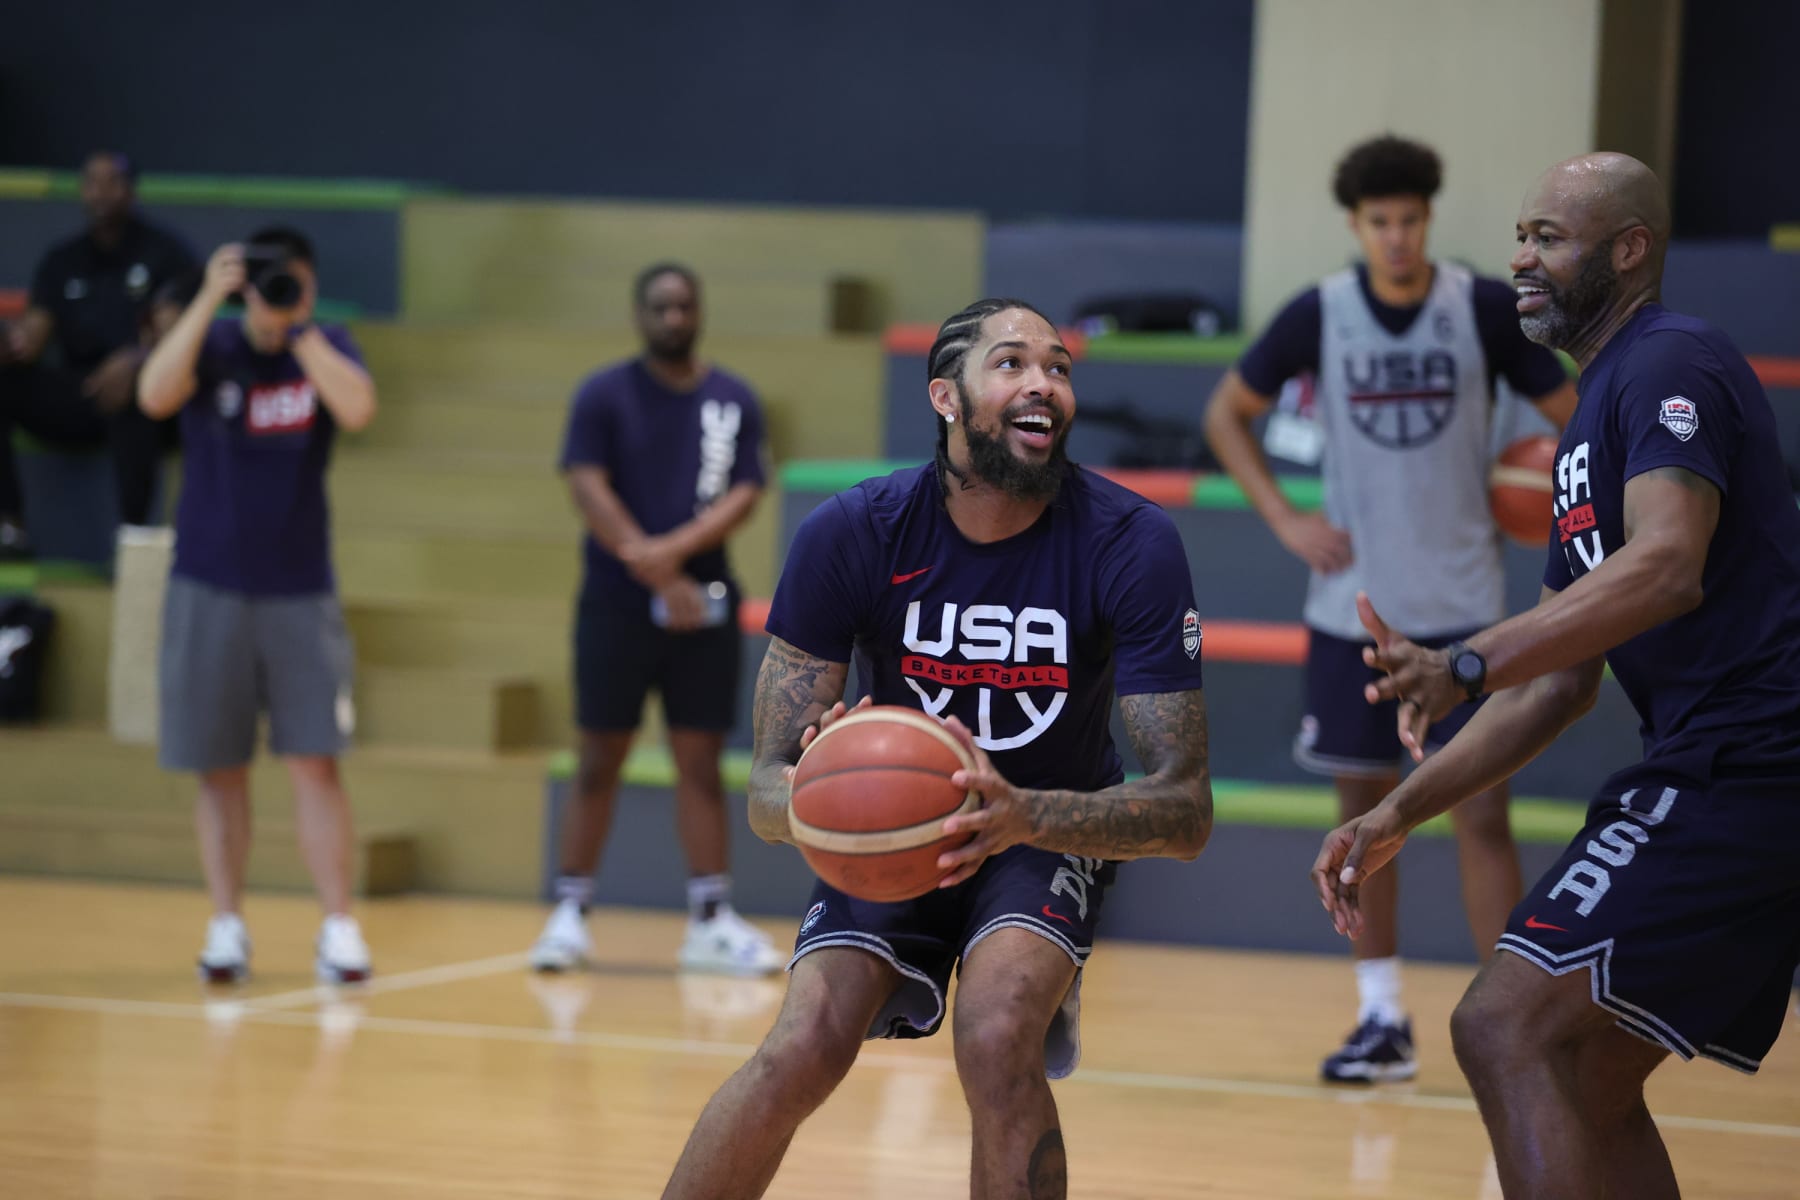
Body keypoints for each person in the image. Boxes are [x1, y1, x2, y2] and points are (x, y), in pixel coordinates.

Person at [1314, 152, 1800, 1199]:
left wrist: (1467, 657)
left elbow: (1664, 565)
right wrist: (1401, 811)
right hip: (1726, 763)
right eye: (1521, 236)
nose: (1519, 259)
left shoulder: (1672, 362)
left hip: (1754, 760)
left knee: (1504, 1027)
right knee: (1586, 1069)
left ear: (1629, 250)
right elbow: (1556, 684)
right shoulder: (1589, 415)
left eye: (1548, 239)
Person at [661, 298, 1213, 1200]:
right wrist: (814, 794)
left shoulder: (1131, 541)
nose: (1043, 383)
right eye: (1011, 364)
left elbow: (1185, 810)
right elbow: (765, 788)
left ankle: (1036, 955)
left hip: (1047, 824)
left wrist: (1023, 814)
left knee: (996, 1039)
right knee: (799, 1047)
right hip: (893, 829)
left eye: (1060, 367)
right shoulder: (853, 532)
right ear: (945, 398)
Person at [1203, 134, 1577, 1083]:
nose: (1398, 236)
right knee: (1365, 820)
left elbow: (1578, 412)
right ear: (1355, 226)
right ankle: (1382, 1023)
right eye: (1381, 222)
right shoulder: (1319, 314)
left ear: (1428, 219)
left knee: (1482, 813)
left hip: (1467, 616)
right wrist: (1287, 519)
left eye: (1411, 218)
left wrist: (1554, 492)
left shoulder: (1482, 308)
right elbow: (1225, 414)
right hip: (1353, 611)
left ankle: (1511, 1028)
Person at [138, 226, 378, 984]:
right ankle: (226, 924)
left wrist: (299, 329)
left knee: (316, 762)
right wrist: (212, 296)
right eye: (266, 284)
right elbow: (152, 395)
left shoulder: (327, 343)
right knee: (220, 767)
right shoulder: (211, 346)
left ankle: (339, 927)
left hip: (300, 589)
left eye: (290, 283)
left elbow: (359, 409)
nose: (276, 297)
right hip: (207, 584)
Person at [530, 263, 780, 975]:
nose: (673, 317)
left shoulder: (732, 399)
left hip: (703, 610)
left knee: (699, 761)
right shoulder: (603, 395)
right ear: (640, 314)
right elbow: (586, 484)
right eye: (661, 307)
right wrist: (658, 571)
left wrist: (672, 560)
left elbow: (745, 491)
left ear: (700, 311)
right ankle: (570, 912)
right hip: (614, 606)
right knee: (597, 757)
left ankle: (709, 919)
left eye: (684, 306)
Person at [0, 150, 196, 554]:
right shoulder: (63, 259)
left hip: (145, 392)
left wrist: (136, 361)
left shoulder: (163, 252)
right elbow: (33, 337)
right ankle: (10, 525)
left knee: (137, 396)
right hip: (80, 389)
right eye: (92, 182)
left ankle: (135, 539)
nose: (101, 192)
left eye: (113, 182)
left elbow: (173, 335)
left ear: (131, 191)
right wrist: (11, 342)